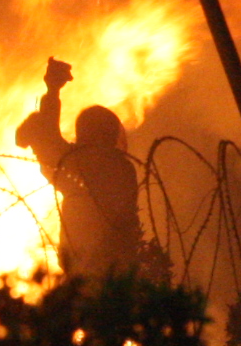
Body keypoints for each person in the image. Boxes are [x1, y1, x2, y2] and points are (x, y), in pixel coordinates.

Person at [12, 58, 144, 280]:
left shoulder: (95, 164)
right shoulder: (118, 165)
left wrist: (52, 92)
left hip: (93, 269)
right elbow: (53, 149)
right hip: (112, 267)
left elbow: (51, 147)